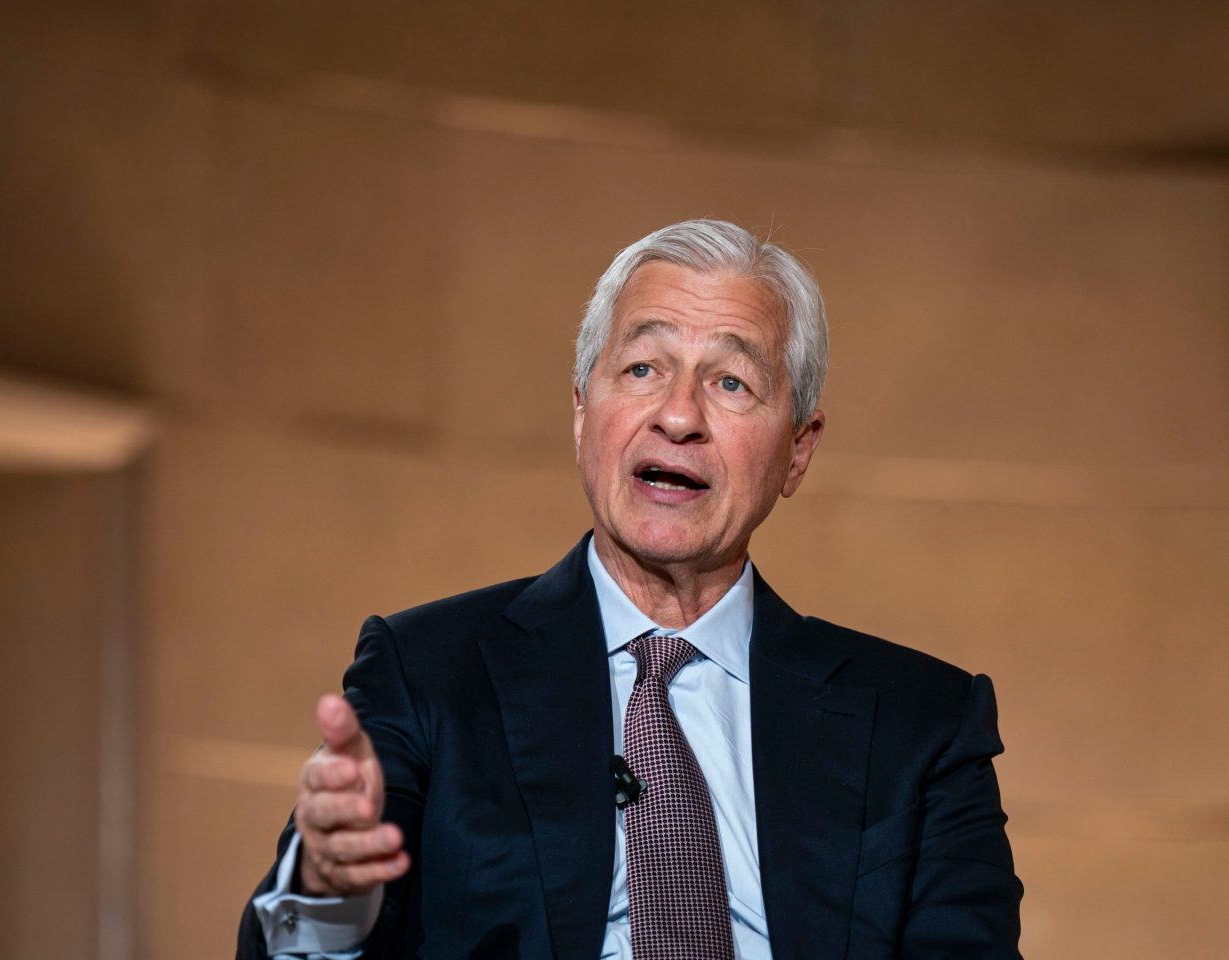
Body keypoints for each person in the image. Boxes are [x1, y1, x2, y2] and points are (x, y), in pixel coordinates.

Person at [236, 219, 1023, 959]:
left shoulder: (923, 727)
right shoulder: (428, 674)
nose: (678, 416)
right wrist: (326, 894)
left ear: (797, 451)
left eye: (732, 382)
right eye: (643, 368)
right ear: (583, 411)